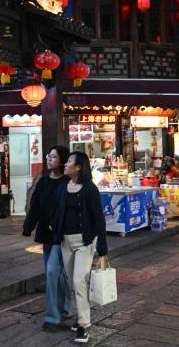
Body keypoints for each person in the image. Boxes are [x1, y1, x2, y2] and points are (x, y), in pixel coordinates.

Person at [53, 152, 107, 344]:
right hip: (65, 241)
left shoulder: (90, 189)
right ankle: (80, 316)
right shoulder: (62, 187)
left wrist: (102, 243)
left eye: (69, 161)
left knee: (79, 282)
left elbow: (98, 217)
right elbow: (57, 211)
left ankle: (84, 324)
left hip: (85, 241)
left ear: (78, 167)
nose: (65, 163)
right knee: (71, 283)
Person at [22, 146, 71, 332]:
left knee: (52, 272)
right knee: (57, 274)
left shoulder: (68, 182)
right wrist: (28, 226)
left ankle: (53, 317)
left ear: (62, 160)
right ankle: (65, 308)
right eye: (48, 156)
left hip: (61, 235)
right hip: (45, 234)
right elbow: (35, 206)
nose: (49, 159)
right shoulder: (43, 182)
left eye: (53, 157)